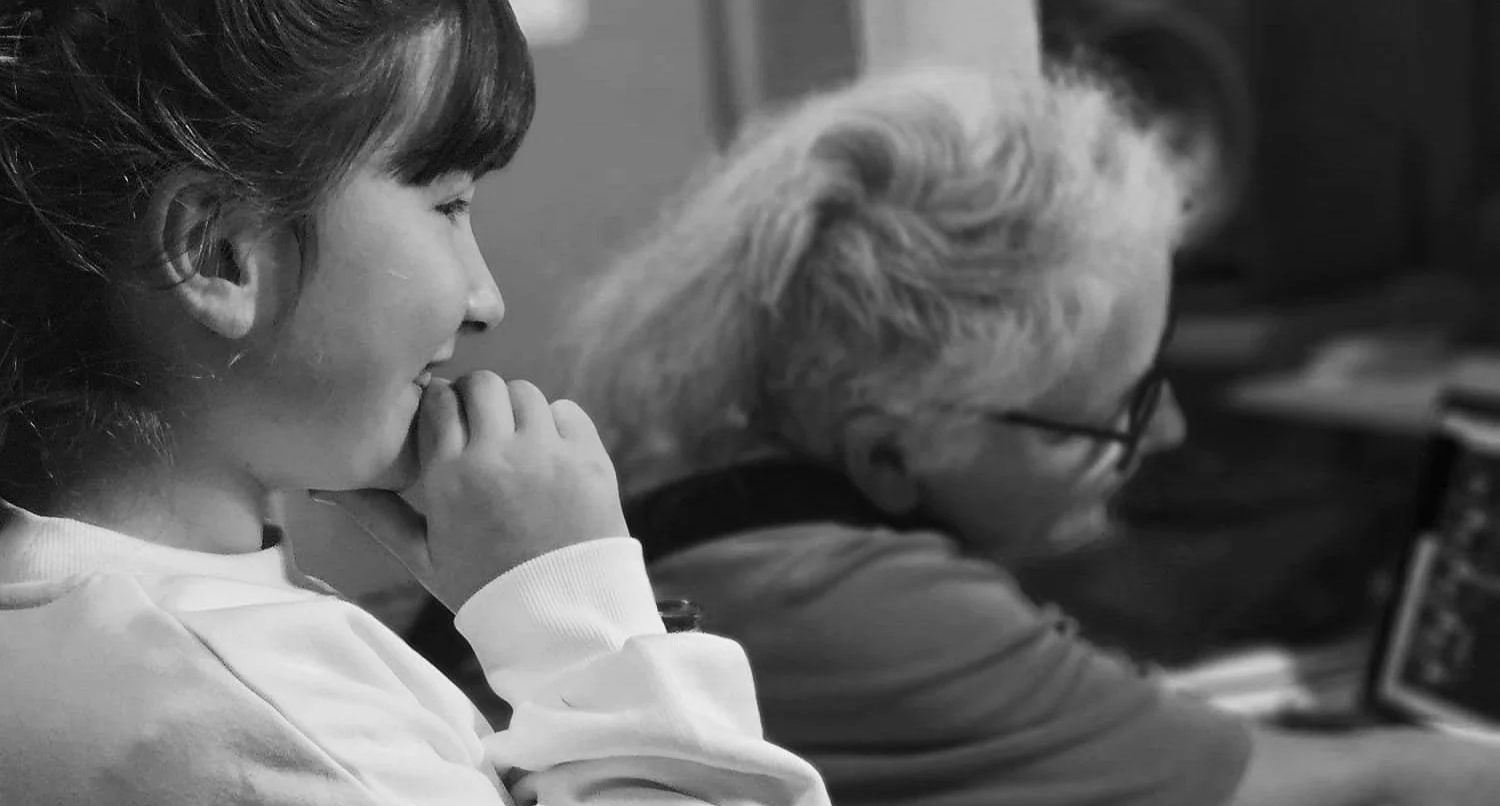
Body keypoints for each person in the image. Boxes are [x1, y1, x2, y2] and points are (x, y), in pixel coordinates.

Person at [0, 0, 830, 804]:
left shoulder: (96, 625)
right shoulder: (260, 713)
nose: (485, 299)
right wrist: (577, 620)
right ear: (217, 251)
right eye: (447, 205)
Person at [561, 64, 1500, 806]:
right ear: (887, 454)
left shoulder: (679, 476)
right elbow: (1373, 787)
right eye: (1117, 409)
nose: (1167, 431)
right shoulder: (862, 607)